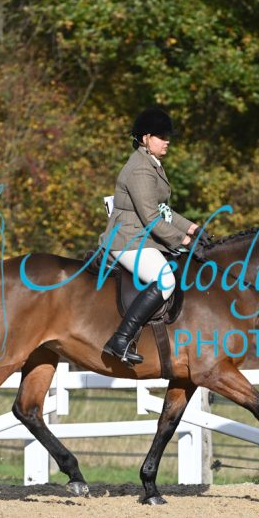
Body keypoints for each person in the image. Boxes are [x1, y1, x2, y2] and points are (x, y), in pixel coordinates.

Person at [99, 107, 203, 365]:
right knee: (165, 280)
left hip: (140, 237)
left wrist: (192, 228)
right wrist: (184, 241)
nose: (167, 140)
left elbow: (163, 210)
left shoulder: (151, 164)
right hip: (127, 239)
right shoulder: (140, 169)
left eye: (168, 136)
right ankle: (121, 339)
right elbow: (151, 217)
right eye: (161, 136)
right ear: (145, 138)